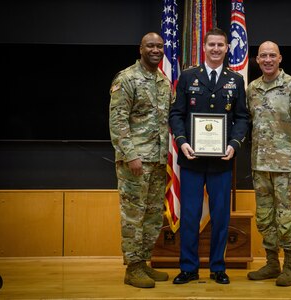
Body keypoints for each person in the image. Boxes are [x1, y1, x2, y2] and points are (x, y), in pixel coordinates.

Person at [169, 27, 249, 285]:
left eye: (220, 45)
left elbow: (242, 118)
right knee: (190, 216)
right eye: (211, 44)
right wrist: (181, 142)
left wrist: (234, 144)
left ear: (227, 48)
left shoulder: (235, 80)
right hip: (191, 160)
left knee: (220, 217)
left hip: (222, 162)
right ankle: (189, 268)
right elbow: (176, 114)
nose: (216, 49)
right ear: (204, 47)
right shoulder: (188, 76)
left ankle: (218, 267)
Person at [246, 41, 291, 286]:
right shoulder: (252, 89)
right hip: (260, 166)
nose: (267, 59)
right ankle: (271, 264)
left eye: (271, 55)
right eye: (263, 55)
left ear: (280, 58)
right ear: (257, 59)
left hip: (287, 167)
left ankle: (289, 267)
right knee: (265, 218)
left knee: (286, 217)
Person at [109, 32, 172, 289]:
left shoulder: (163, 82)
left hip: (157, 161)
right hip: (135, 161)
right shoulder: (126, 78)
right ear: (141, 49)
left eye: (159, 46)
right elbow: (118, 121)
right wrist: (131, 154)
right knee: (134, 215)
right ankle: (132, 268)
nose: (155, 49)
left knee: (153, 215)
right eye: (150, 46)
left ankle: (144, 262)